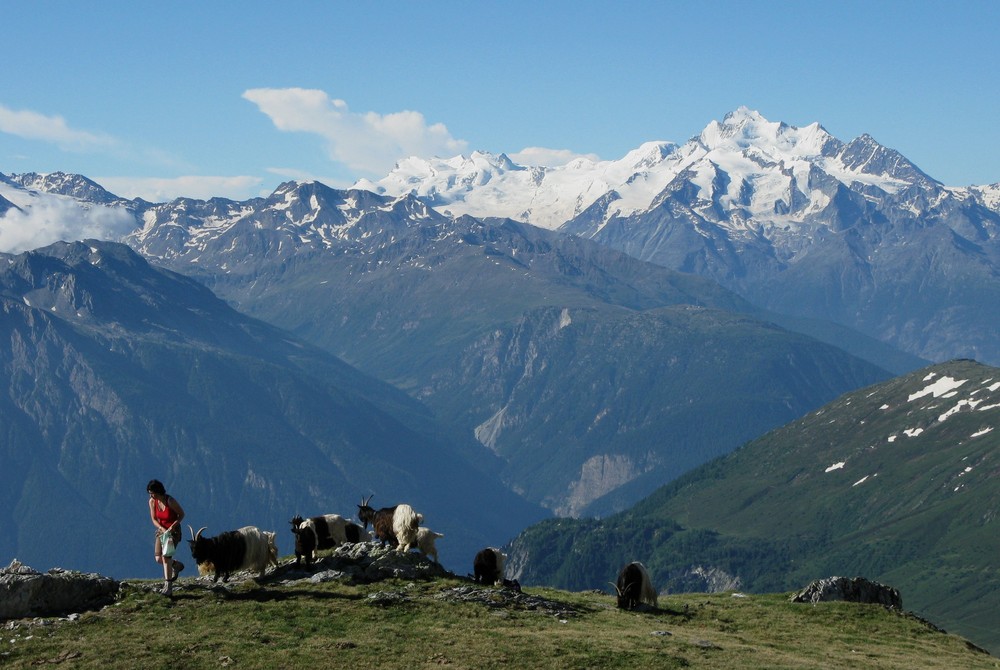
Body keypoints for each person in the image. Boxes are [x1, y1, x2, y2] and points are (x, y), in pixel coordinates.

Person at [147, 479, 185, 596]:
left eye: (152, 493)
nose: (151, 495)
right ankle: (176, 565)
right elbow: (154, 519)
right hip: (162, 531)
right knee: (159, 558)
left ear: (158, 491)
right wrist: (162, 529)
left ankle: (168, 587)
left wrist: (173, 526)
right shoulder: (152, 502)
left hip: (173, 532)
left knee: (166, 557)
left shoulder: (170, 501)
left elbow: (181, 514)